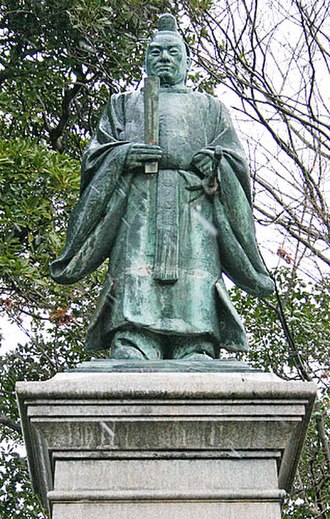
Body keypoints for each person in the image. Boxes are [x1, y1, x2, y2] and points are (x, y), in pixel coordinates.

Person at [50, 14, 274, 360]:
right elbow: (95, 156)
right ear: (144, 60)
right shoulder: (123, 104)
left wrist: (215, 161)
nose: (164, 58)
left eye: (172, 52)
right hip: (138, 200)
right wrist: (123, 154)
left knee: (196, 274)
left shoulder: (210, 107)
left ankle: (197, 342)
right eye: (156, 52)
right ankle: (134, 338)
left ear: (186, 61)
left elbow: (234, 160)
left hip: (194, 202)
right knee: (135, 268)